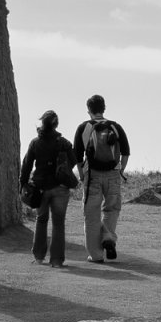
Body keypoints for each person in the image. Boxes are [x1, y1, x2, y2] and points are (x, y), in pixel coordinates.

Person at [72, 93, 131, 262]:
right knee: (112, 209)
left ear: (88, 110)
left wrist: (82, 174)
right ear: (104, 108)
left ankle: (96, 255)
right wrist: (120, 170)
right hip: (113, 174)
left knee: (91, 214)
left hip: (92, 176)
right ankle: (108, 238)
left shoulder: (84, 128)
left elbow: (77, 156)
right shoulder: (115, 127)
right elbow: (126, 153)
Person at [20, 110, 77, 266]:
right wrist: (62, 171)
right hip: (60, 187)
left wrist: (23, 184)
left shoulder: (35, 142)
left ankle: (39, 257)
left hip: (40, 188)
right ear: (56, 124)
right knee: (58, 223)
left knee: (41, 220)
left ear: (42, 123)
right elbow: (73, 161)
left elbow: (26, 165)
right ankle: (57, 260)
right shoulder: (64, 142)